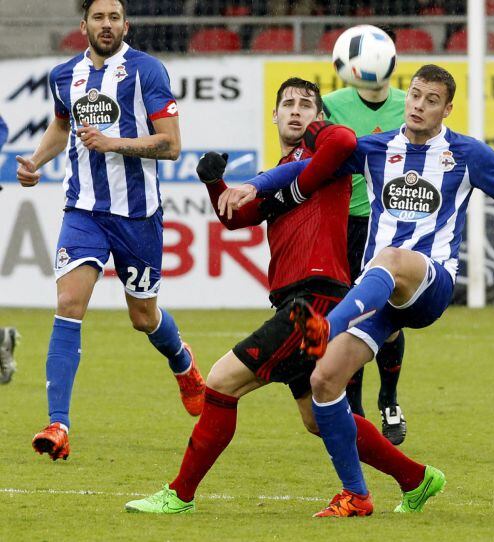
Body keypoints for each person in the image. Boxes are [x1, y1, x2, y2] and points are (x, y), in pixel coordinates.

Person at [220, 64, 494, 517]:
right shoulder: (375, 148)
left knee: (391, 259)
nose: (417, 105)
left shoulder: (467, 154)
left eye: (430, 100)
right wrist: (251, 185)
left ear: (447, 108)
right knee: (323, 383)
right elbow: (309, 167)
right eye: (414, 95)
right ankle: (361, 493)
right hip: (380, 296)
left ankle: (325, 327)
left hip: (430, 282)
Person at [124, 77, 445, 516]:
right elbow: (239, 218)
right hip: (299, 299)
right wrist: (214, 184)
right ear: (273, 115)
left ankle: (178, 495)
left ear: (319, 117)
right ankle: (416, 477)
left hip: (314, 299)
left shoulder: (327, 155)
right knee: (318, 418)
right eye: (288, 104)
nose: (296, 110)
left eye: (307, 105)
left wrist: (312, 142)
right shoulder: (283, 165)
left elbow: (344, 140)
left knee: (220, 381)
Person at [16, 0, 205, 462]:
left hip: (137, 216)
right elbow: (62, 127)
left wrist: (113, 142)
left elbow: (172, 145)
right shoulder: (64, 76)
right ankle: (58, 424)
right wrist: (37, 162)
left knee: (143, 317)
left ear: (126, 24)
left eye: (114, 18)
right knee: (68, 304)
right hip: (83, 211)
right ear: (84, 25)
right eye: (98, 18)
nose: (106, 25)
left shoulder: (147, 71)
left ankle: (182, 362)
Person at [323, 27, 409, 445]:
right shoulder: (331, 106)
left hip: (391, 228)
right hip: (345, 224)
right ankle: (353, 408)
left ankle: (389, 397)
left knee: (390, 318)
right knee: (350, 316)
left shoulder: (408, 106)